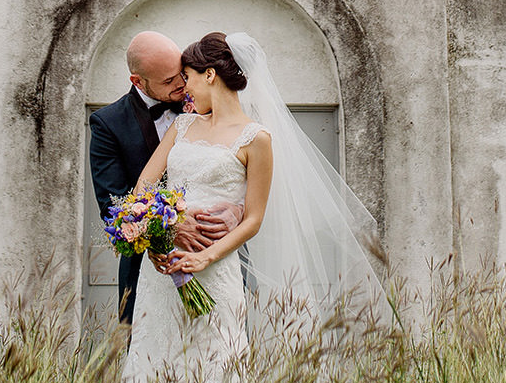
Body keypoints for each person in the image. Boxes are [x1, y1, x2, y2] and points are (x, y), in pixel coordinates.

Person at [123, 32, 383, 382]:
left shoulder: (256, 138)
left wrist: (205, 257)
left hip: (214, 270)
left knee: (214, 362)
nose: (186, 90)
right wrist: (161, 235)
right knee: (153, 362)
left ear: (210, 76)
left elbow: (254, 219)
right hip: (164, 269)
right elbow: (143, 188)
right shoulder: (182, 126)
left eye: (189, 78)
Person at [90, 31, 243, 325]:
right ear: (138, 81)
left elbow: (241, 170)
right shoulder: (108, 124)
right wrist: (168, 228)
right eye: (168, 81)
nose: (181, 86)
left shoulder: (212, 104)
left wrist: (237, 209)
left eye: (182, 75)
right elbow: (113, 205)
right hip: (151, 267)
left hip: (217, 256)